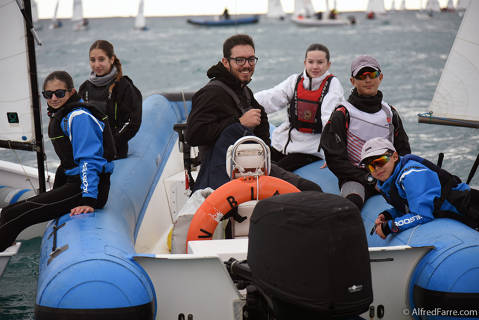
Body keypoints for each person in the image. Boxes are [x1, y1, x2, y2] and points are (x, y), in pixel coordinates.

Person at [185, 34, 322, 193]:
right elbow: (193, 134)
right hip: (228, 174)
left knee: (304, 182)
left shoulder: (242, 90)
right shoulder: (212, 93)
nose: (247, 65)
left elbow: (262, 132)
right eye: (239, 60)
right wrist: (238, 123)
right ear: (226, 62)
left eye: (251, 59)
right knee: (311, 190)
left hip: (252, 168)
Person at [0, 71, 115, 252]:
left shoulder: (79, 117)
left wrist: (89, 200)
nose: (53, 98)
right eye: (48, 94)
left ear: (71, 92)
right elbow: (67, 162)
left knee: (14, 216)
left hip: (87, 190)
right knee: (7, 213)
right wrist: (57, 191)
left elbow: (88, 161)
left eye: (59, 93)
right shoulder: (63, 114)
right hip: (75, 185)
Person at [320, 55, 410, 210]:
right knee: (350, 208)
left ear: (380, 77)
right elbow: (335, 159)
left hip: (388, 177)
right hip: (355, 179)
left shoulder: (390, 113)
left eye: (372, 74)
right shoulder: (342, 114)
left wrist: (393, 178)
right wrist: (370, 179)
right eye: (362, 76)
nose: (368, 80)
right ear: (352, 81)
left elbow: (403, 151)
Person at [359, 137, 479, 239]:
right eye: (370, 166)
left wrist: (390, 227)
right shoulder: (390, 180)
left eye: (381, 161)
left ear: (395, 156)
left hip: (471, 208)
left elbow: (423, 214)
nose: (377, 169)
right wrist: (389, 215)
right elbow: (410, 206)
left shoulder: (411, 175)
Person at [254, 43, 345, 171]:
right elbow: (272, 97)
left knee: (276, 170)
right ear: (305, 63)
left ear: (328, 64)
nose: (315, 66)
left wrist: (332, 154)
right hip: (284, 142)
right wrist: (247, 101)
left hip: (310, 149)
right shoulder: (295, 81)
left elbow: (329, 120)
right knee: (258, 163)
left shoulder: (332, 86)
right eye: (311, 62)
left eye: (320, 62)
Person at [79, 40, 142, 159]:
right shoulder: (85, 88)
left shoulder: (123, 86)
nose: (96, 65)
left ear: (111, 59)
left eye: (101, 59)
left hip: (115, 152)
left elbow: (132, 122)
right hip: (90, 152)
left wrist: (110, 143)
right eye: (93, 60)